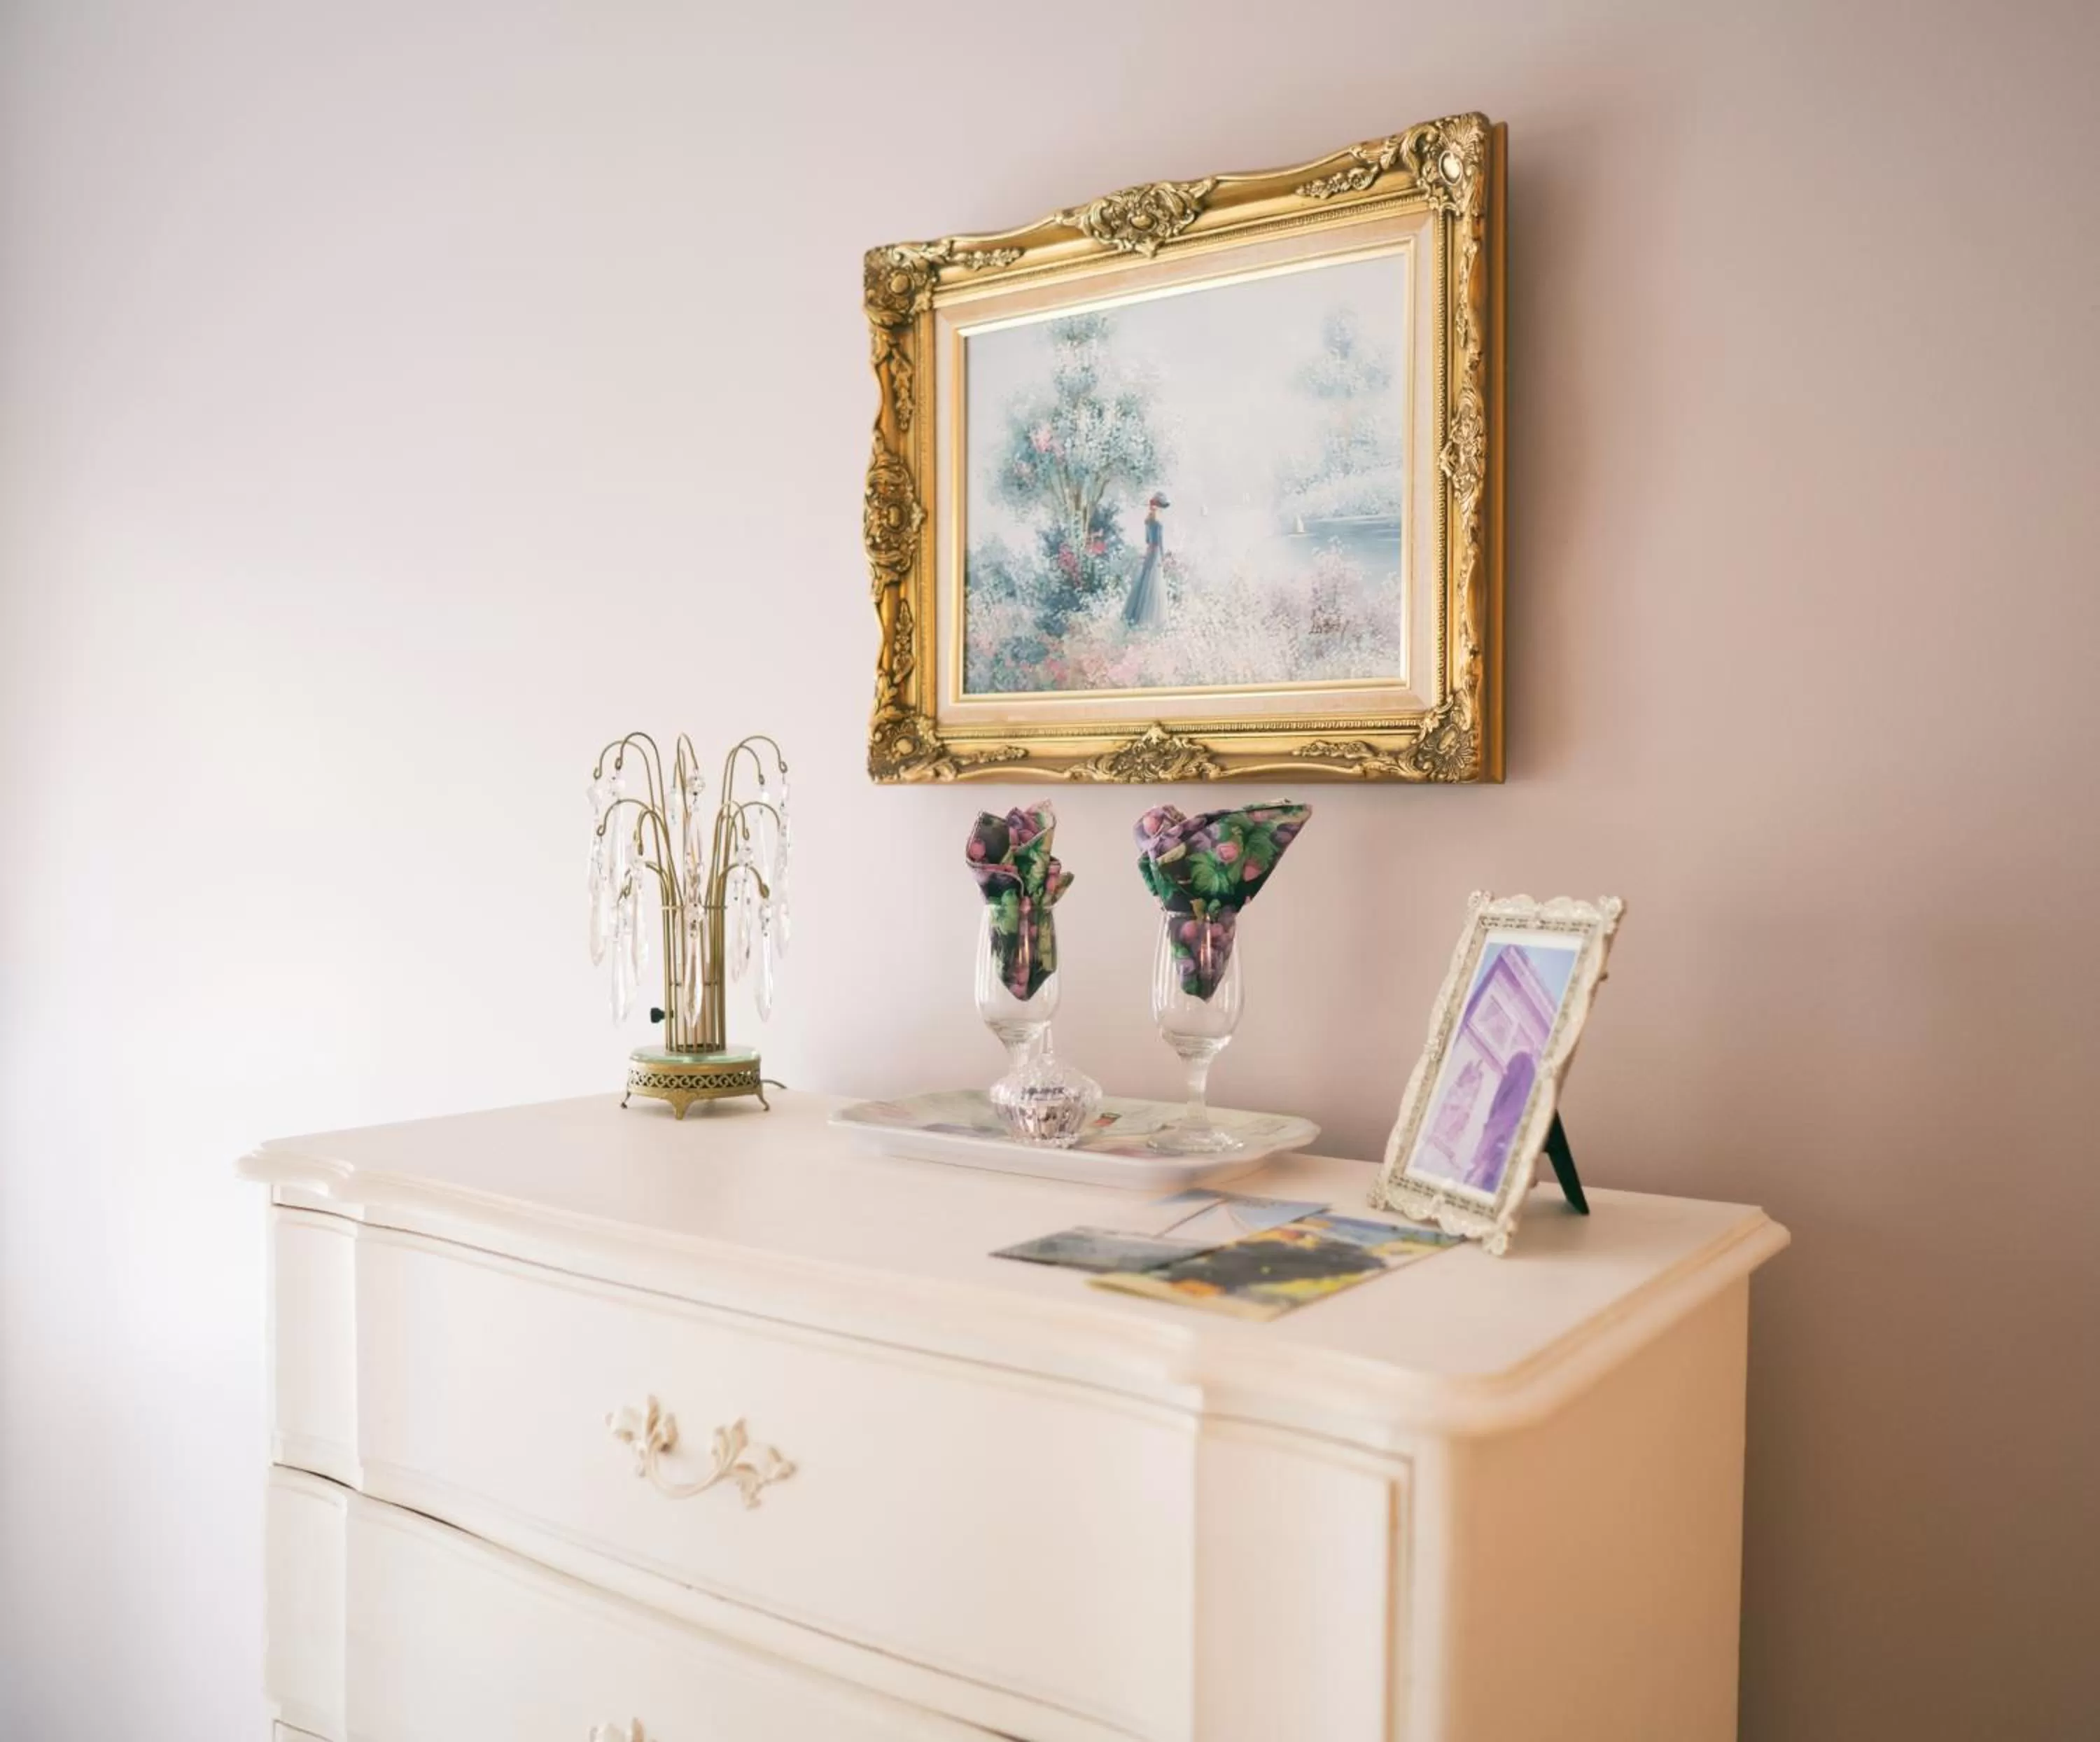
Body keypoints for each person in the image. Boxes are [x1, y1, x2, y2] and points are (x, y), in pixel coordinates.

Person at [1121, 492, 1170, 629]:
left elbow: (1147, 541)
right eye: (1160, 506)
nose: (1161, 509)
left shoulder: (1148, 521)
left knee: (1145, 582)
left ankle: (1136, 616)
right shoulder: (1158, 523)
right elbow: (1158, 543)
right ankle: (1151, 620)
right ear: (1157, 506)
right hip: (1155, 554)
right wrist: (1163, 557)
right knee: (1154, 583)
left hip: (1149, 552)